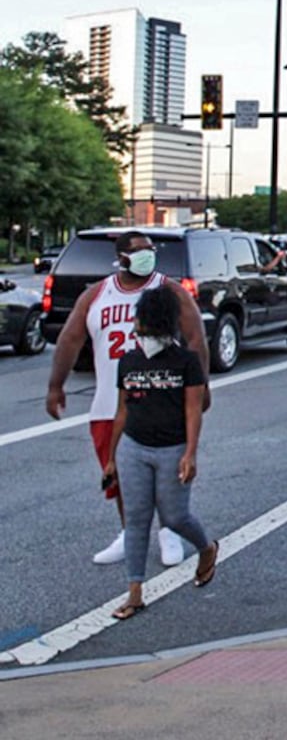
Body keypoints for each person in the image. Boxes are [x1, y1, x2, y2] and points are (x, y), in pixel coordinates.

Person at [47, 231, 208, 566]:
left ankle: (169, 531)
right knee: (119, 476)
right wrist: (55, 386)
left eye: (151, 249)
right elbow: (70, 339)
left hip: (162, 398)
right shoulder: (96, 294)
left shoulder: (169, 290)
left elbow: (195, 338)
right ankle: (128, 531)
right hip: (111, 400)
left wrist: (201, 385)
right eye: (139, 251)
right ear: (121, 258)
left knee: (165, 473)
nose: (148, 255)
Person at [106, 286, 220, 619]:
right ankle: (135, 592)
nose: (138, 328)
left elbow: (193, 410)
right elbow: (122, 411)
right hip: (133, 447)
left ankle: (206, 548)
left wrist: (190, 453)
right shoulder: (128, 360)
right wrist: (112, 457)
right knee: (137, 521)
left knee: (174, 517)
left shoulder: (185, 361)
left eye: (143, 321)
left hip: (172, 449)